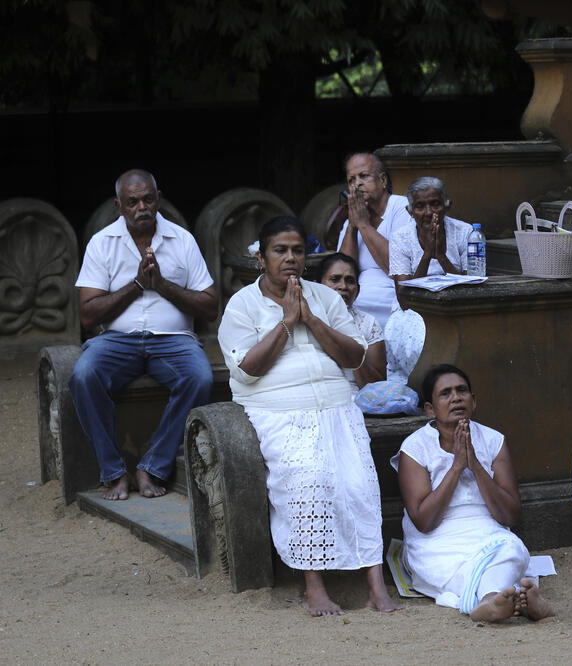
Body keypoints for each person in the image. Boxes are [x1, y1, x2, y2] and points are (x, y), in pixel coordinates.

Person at [218, 216, 402, 616]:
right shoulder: (242, 305)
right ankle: (314, 586)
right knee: (308, 479)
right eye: (279, 250)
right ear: (262, 258)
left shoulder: (326, 297)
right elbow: (247, 368)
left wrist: (312, 319)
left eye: (297, 251)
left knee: (360, 484)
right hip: (279, 411)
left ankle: (375, 585)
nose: (289, 258)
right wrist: (286, 323)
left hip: (337, 406)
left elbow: (355, 356)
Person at [69, 169, 217, 501]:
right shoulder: (102, 242)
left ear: (158, 198)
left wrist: (161, 285)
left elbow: (209, 307)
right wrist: (137, 286)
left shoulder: (182, 240)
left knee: (199, 377)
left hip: (174, 339)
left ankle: (152, 466)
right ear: (119, 205)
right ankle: (113, 471)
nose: (142, 207)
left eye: (148, 199)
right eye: (133, 201)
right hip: (116, 341)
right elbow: (88, 314)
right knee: (84, 375)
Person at [390, 364, 553, 622]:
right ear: (430, 409)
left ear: (473, 401)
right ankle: (511, 599)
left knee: (512, 548)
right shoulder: (415, 447)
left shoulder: (493, 440)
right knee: (446, 566)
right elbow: (423, 521)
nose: (456, 397)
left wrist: (475, 465)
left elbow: (509, 516)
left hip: (489, 533)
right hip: (436, 542)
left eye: (462, 391)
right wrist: (456, 468)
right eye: (446, 393)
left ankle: (491, 600)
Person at [336, 152, 413, 328]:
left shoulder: (402, 209)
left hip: (394, 302)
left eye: (363, 176)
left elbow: (397, 267)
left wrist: (364, 225)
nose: (357, 184)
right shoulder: (353, 219)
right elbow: (342, 269)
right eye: (351, 180)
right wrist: (353, 225)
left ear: (383, 180)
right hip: (355, 301)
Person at [317, 252, 387, 394]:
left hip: (353, 400)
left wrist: (351, 345)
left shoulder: (367, 324)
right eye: (335, 279)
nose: (343, 286)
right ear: (317, 286)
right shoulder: (304, 319)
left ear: (358, 290)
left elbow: (377, 388)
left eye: (350, 280)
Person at [388, 176, 473, 282]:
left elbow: (471, 286)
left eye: (435, 204)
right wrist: (427, 255)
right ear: (410, 211)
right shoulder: (400, 238)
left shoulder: (465, 232)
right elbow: (402, 296)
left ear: (447, 206)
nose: (428, 212)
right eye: (419, 206)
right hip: (416, 299)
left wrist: (441, 257)